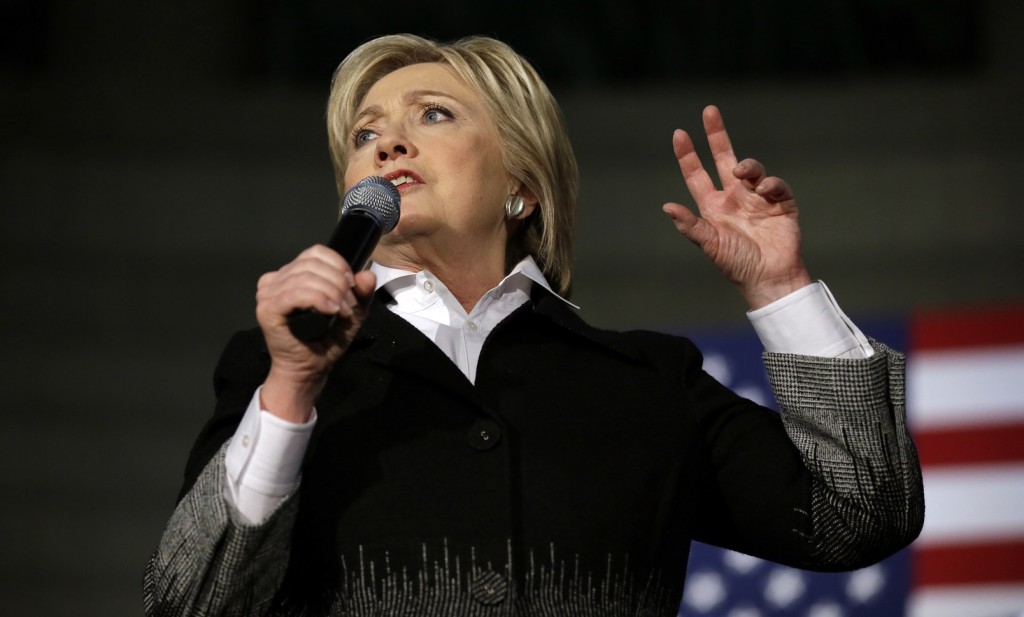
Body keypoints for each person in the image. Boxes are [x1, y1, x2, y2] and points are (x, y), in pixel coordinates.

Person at [143, 34, 923, 617]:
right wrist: (289, 388)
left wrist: (779, 285)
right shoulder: (279, 371)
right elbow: (190, 602)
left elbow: (861, 514)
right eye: (363, 133)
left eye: (434, 114)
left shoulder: (649, 382)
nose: (387, 141)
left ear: (523, 181)